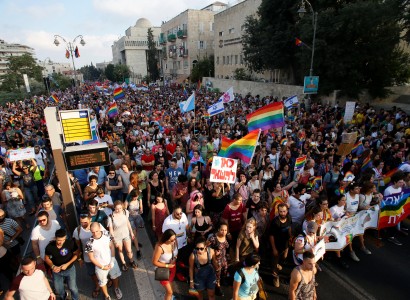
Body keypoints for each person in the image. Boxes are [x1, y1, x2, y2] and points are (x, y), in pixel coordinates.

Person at [72, 212, 108, 299]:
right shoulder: (78, 230)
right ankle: (97, 286)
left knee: (104, 271)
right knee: (92, 273)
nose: (83, 224)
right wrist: (79, 258)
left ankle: (105, 281)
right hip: (88, 257)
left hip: (101, 257)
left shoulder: (97, 226)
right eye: (81, 222)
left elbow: (106, 238)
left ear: (90, 219)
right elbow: (77, 245)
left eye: (85, 222)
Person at [85, 222, 123, 300]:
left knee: (115, 276)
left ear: (100, 229)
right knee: (102, 282)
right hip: (100, 267)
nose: (95, 234)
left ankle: (116, 289)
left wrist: (112, 259)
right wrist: (102, 267)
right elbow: (91, 258)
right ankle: (107, 296)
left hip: (111, 262)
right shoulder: (89, 243)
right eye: (93, 232)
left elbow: (111, 246)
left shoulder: (107, 234)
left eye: (97, 231)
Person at [44, 229, 79, 300]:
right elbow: (47, 258)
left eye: (63, 240)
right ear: (55, 238)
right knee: (58, 289)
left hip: (70, 269)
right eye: (59, 240)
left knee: (73, 287)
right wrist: (53, 266)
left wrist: (67, 264)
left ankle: (75, 298)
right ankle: (64, 297)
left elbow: (76, 254)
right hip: (56, 271)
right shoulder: (50, 247)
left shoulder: (70, 243)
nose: (61, 242)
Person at [107, 200, 138, 271]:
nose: (119, 210)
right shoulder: (111, 217)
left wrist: (131, 232)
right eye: (117, 208)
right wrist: (114, 240)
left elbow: (127, 222)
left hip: (126, 234)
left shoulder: (125, 212)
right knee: (120, 250)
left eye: (120, 208)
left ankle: (131, 261)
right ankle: (124, 263)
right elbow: (111, 230)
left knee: (129, 250)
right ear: (114, 207)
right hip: (117, 236)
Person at [162, 206, 189, 281]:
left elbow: (187, 227)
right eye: (177, 214)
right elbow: (165, 235)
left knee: (181, 258)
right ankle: (177, 274)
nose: (180, 215)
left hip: (184, 243)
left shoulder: (183, 216)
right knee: (175, 260)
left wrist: (189, 236)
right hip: (174, 246)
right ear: (173, 212)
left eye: (181, 213)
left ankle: (180, 266)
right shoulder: (167, 222)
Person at [269, 203, 292, 287]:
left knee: (285, 257)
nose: (283, 213)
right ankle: (275, 276)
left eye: (284, 211)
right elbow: (271, 236)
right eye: (281, 211)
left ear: (287, 211)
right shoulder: (275, 222)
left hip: (285, 243)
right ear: (278, 211)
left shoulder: (289, 218)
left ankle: (278, 264)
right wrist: (274, 249)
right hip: (276, 244)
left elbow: (289, 227)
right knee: (275, 260)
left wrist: (290, 238)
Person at [151, 229, 178, 300]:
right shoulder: (160, 247)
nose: (174, 241)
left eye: (175, 239)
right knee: (170, 292)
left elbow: (176, 254)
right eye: (172, 240)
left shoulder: (174, 242)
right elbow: (154, 262)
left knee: (170, 282)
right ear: (166, 239)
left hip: (172, 267)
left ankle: (170, 297)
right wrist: (167, 265)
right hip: (162, 270)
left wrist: (174, 258)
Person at [207, 222, 229, 296]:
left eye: (225, 230)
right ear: (218, 230)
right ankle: (217, 289)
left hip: (223, 258)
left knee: (224, 271)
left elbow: (226, 246)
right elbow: (205, 246)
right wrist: (213, 252)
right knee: (217, 274)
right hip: (216, 260)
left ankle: (222, 282)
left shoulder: (226, 236)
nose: (224, 232)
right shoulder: (213, 238)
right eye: (222, 230)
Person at [124, 189, 143, 259]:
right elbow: (125, 209)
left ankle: (135, 242)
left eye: (136, 197)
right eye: (134, 197)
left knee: (136, 232)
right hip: (131, 218)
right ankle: (138, 250)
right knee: (134, 234)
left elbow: (141, 207)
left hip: (137, 217)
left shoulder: (139, 198)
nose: (135, 198)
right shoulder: (128, 199)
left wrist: (141, 210)